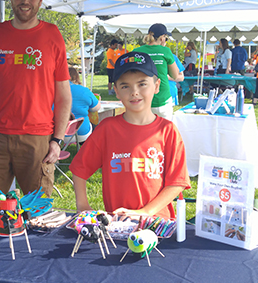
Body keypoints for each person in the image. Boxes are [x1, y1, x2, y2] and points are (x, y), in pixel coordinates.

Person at [0, 0, 71, 199]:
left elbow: (63, 96)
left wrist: (57, 141)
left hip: (37, 138)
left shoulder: (52, 34)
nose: (25, 1)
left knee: (38, 212)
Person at [70, 51, 191, 218]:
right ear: (116, 91)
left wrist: (145, 212)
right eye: (125, 86)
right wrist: (82, 204)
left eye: (142, 84)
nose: (134, 92)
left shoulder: (167, 131)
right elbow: (79, 169)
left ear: (156, 86)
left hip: (157, 224)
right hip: (119, 223)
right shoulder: (107, 129)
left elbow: (177, 182)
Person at [133, 23, 184, 121]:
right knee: (165, 131)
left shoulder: (136, 51)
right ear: (162, 38)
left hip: (143, 97)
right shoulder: (165, 51)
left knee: (145, 131)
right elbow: (175, 75)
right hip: (162, 98)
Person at [68, 67, 100, 144]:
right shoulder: (84, 90)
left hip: (57, 134)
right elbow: (96, 108)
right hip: (82, 132)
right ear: (76, 76)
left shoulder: (53, 89)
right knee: (95, 122)